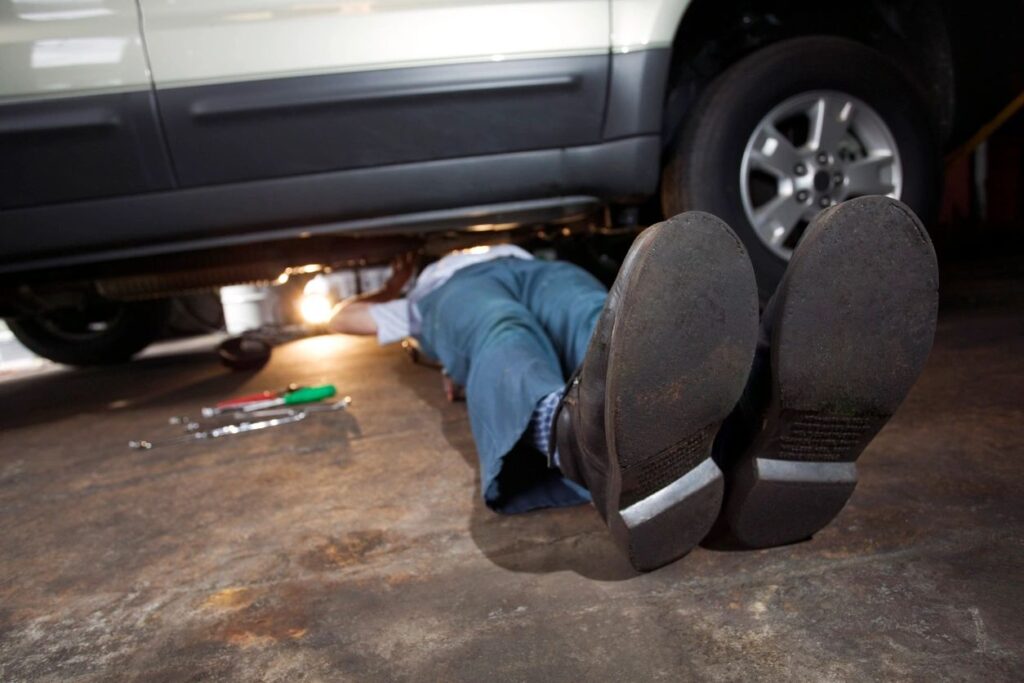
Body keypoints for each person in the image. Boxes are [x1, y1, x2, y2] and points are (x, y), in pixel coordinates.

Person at [327, 196, 939, 571]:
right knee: (500, 330)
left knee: (601, 316)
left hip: (540, 271)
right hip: (457, 298)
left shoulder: (526, 250)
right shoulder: (421, 291)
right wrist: (389, 296)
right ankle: (574, 440)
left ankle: (745, 408)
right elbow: (340, 317)